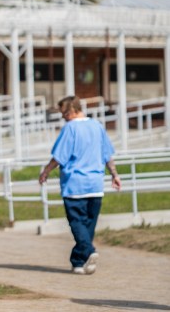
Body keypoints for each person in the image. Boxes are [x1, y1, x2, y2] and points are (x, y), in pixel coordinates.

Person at [39, 95, 121, 275]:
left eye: (64, 113)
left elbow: (59, 157)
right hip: (95, 185)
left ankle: (89, 251)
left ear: (72, 110)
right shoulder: (97, 126)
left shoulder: (70, 129)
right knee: (88, 225)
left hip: (74, 185)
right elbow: (107, 155)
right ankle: (78, 261)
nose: (63, 117)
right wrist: (114, 175)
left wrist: (46, 171)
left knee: (77, 222)